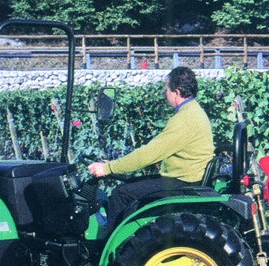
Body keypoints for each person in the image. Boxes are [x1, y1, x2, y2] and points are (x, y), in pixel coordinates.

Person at [87, 66, 215, 235]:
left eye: (166, 89)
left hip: (183, 182)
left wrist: (107, 168)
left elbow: (149, 154)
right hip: (187, 178)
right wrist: (114, 165)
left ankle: (106, 251)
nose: (165, 94)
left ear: (176, 92)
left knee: (120, 194)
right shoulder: (194, 112)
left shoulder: (184, 119)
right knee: (129, 185)